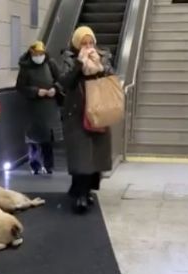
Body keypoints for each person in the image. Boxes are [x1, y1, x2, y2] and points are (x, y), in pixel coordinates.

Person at [56, 26, 115, 214]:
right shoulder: (69, 59)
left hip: (98, 111)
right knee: (81, 155)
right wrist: (80, 65)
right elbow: (64, 82)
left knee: (95, 155)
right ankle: (80, 194)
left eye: (90, 43)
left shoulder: (103, 56)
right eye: (83, 43)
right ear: (76, 44)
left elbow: (111, 78)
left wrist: (100, 68)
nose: (88, 47)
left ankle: (86, 190)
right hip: (76, 113)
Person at [15, 41, 61, 175]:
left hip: (49, 108)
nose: (39, 56)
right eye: (36, 54)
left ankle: (49, 166)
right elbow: (20, 87)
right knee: (33, 139)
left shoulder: (50, 64)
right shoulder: (25, 68)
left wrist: (55, 89)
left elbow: (61, 80)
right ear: (31, 53)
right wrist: (35, 91)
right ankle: (35, 165)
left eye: (41, 53)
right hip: (33, 108)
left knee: (48, 140)